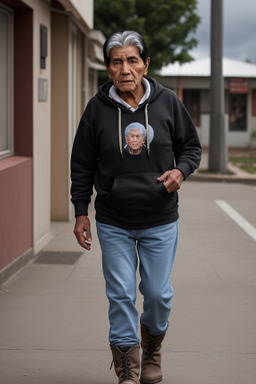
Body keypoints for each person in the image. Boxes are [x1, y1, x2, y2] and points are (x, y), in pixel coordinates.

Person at [71, 30, 201, 384]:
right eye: (117, 61)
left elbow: (191, 147)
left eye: (132, 60)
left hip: (160, 219)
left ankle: (152, 351)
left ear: (146, 64)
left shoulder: (168, 102)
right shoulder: (96, 109)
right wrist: (81, 211)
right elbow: (81, 164)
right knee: (122, 294)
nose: (125, 68)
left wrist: (180, 170)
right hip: (113, 221)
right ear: (108, 68)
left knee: (157, 294)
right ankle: (127, 366)